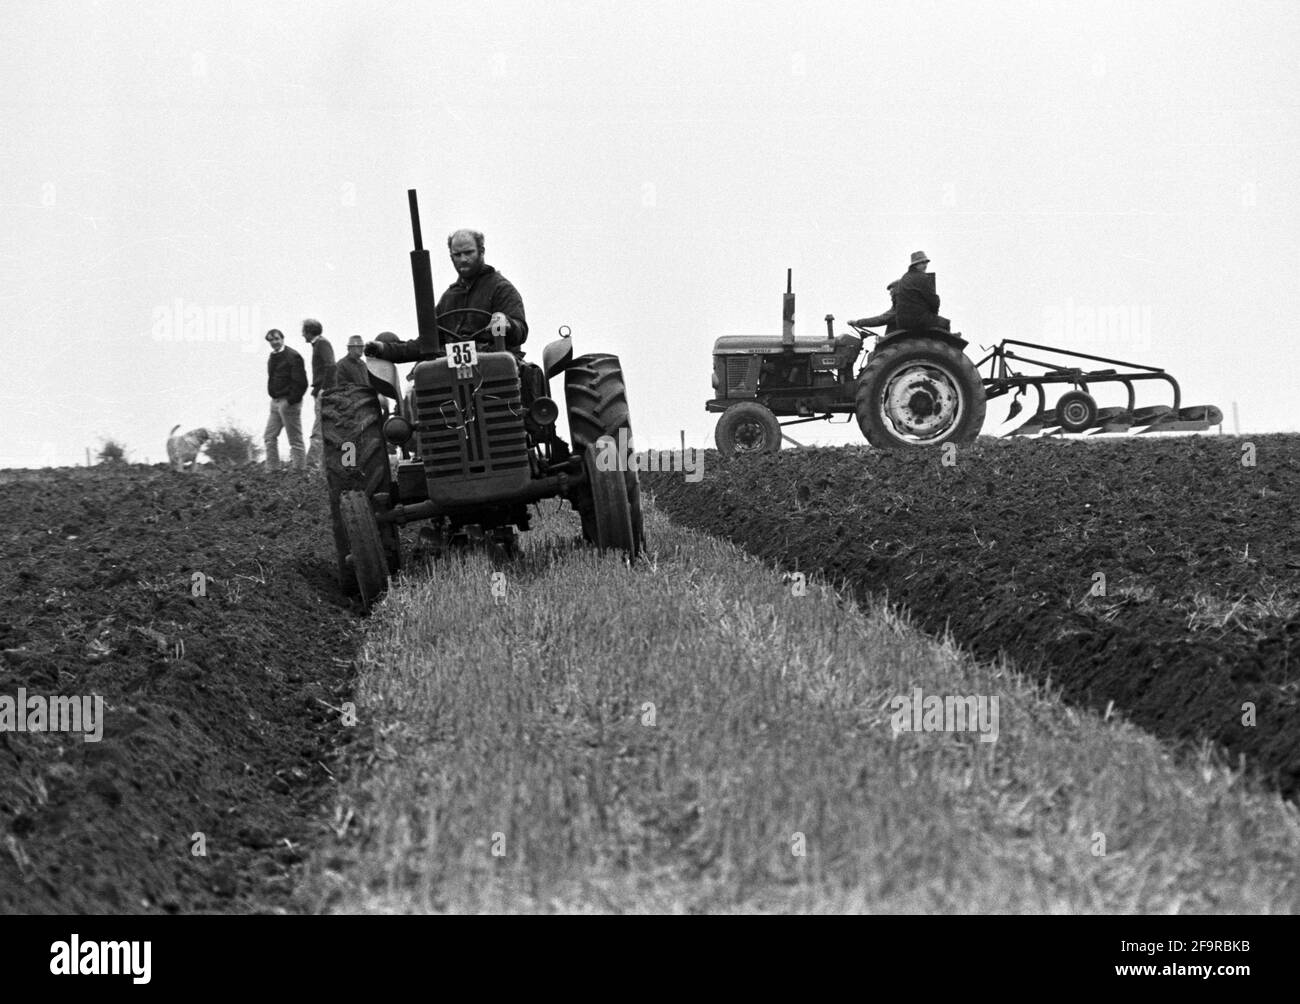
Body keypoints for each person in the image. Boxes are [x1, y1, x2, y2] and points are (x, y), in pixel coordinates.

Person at [365, 229, 528, 363]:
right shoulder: (449, 299)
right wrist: (384, 349)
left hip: (494, 365)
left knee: (522, 373)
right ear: (451, 257)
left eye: (469, 252)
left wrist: (508, 324)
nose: (463, 259)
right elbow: (426, 343)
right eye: (457, 255)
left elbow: (520, 331)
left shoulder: (501, 289)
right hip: (451, 369)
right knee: (422, 375)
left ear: (482, 251)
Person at [263, 328, 308, 470]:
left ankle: (299, 470)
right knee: (269, 436)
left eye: (277, 339)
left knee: (294, 438)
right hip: (275, 402)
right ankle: (273, 470)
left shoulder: (293, 356)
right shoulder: (272, 357)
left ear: (282, 339)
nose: (274, 342)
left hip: (288, 403)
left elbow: (301, 383)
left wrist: (290, 401)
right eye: (271, 340)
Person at [302, 318, 336, 468]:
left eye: (304, 331)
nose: (302, 335)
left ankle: (312, 464)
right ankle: (324, 464)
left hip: (324, 392)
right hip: (322, 391)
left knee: (319, 427)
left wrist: (324, 388)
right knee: (325, 427)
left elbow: (331, 365)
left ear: (309, 332)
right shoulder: (318, 344)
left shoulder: (322, 343)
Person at [892, 251, 951, 332]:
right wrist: (934, 314)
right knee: (946, 323)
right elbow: (934, 301)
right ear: (915, 265)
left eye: (926, 263)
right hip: (918, 320)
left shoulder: (904, 278)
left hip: (901, 322)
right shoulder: (923, 277)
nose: (925, 265)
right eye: (922, 263)